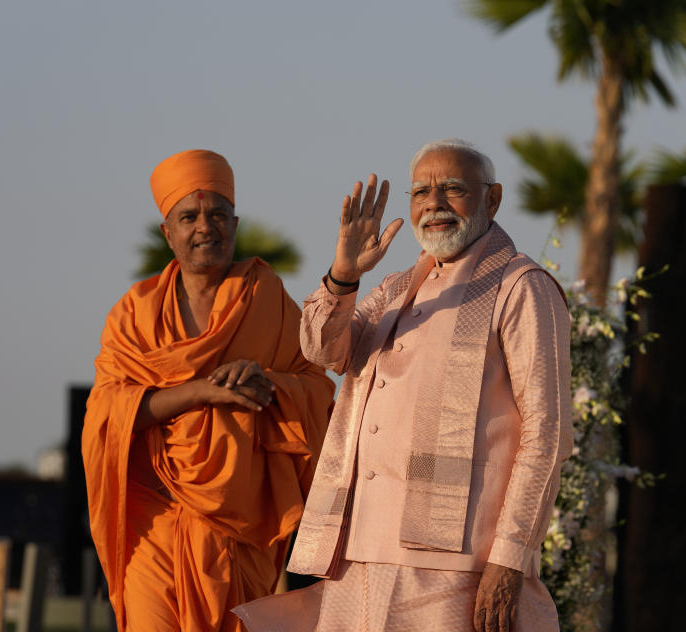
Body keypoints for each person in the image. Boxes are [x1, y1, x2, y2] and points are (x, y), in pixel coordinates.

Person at [235, 139, 572, 632]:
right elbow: (323, 349)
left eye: (453, 188)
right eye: (421, 192)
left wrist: (511, 557)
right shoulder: (395, 288)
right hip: (359, 551)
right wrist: (344, 275)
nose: (433, 203)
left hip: (456, 563)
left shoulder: (521, 287)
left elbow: (548, 432)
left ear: (493, 199)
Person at [82, 149, 335, 632]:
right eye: (190, 216)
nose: (205, 226)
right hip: (154, 524)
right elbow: (109, 416)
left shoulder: (265, 298)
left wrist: (268, 383)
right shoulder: (134, 314)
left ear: (234, 225)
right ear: (167, 232)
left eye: (218, 214)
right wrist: (203, 391)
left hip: (241, 534)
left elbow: (318, 391)